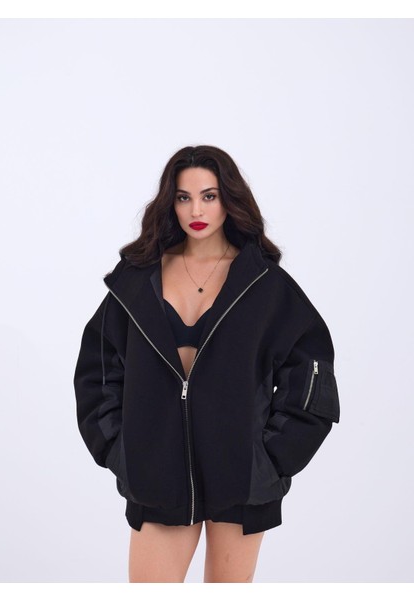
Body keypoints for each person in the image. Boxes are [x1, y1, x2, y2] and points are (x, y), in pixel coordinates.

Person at [73, 145, 340, 583]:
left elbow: (312, 377)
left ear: (229, 199)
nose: (196, 210)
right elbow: (97, 371)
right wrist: (124, 451)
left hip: (241, 478)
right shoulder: (138, 279)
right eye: (183, 197)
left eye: (209, 196)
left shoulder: (263, 283)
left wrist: (271, 459)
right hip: (158, 476)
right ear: (170, 203)